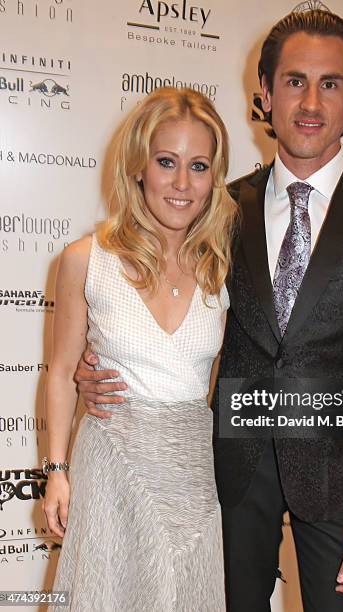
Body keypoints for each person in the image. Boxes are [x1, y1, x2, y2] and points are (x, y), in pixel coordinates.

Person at [75, 10, 343, 612]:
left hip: (337, 475)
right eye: (294, 81)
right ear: (264, 94)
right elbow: (163, 306)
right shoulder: (220, 207)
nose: (311, 101)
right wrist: (101, 365)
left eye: (330, 83)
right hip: (230, 472)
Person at [42, 87, 237, 611]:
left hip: (192, 476)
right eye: (166, 162)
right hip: (112, 470)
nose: (181, 184)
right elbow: (62, 372)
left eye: (198, 166)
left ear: (214, 177)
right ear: (138, 168)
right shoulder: (87, 259)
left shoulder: (221, 268)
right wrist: (56, 471)